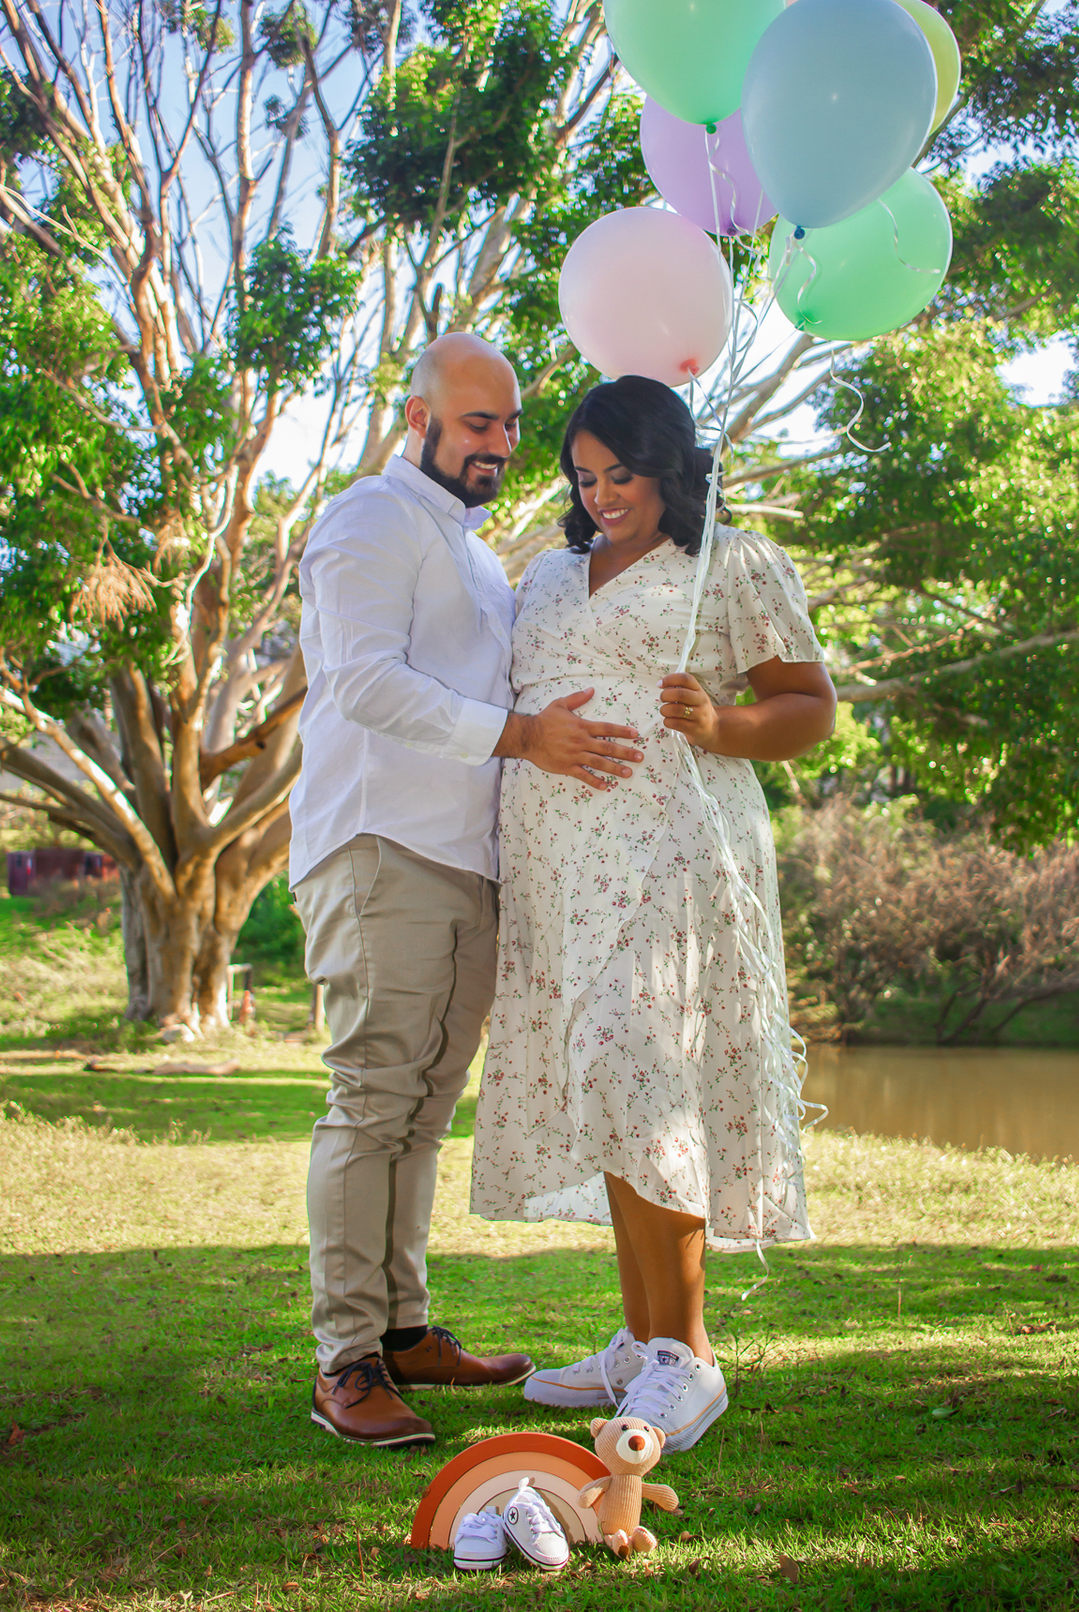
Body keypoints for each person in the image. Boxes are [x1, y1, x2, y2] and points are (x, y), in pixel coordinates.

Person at [290, 333, 644, 1450]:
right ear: (418, 421)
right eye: (475, 422)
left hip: (464, 862)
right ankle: (346, 1360)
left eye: (506, 424)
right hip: (380, 845)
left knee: (423, 1113)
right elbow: (360, 682)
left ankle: (404, 1333)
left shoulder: (480, 556)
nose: (496, 443)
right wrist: (521, 735)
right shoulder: (370, 520)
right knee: (372, 1102)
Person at [471, 375, 836, 1452]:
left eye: (620, 475)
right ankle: (638, 1342)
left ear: (666, 465)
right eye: (585, 477)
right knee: (605, 1087)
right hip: (556, 874)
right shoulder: (544, 573)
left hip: (668, 861)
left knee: (645, 1077)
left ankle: (687, 1355)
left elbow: (809, 709)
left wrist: (721, 722)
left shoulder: (731, 561)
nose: (602, 496)